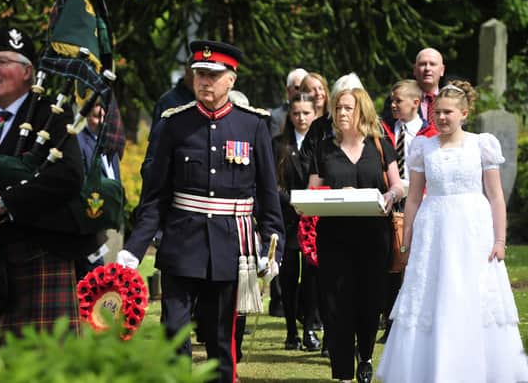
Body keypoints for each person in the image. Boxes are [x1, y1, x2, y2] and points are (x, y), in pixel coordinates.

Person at [116, 40, 285, 383]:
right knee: (174, 333)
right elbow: (155, 197)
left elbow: (269, 197)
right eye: (199, 74)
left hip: (230, 249)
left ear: (231, 80)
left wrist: (273, 248)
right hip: (181, 244)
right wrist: (133, 250)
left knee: (222, 340)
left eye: (213, 75)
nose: (205, 81)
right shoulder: (174, 124)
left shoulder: (253, 126)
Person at [0, 26, 95, 336]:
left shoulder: (51, 115)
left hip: (38, 257)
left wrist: (3, 204)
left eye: (2, 61)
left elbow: (68, 177)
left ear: (27, 71)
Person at [377, 81, 528, 382]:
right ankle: (430, 367)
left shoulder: (481, 144)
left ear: (464, 113)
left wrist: (499, 240)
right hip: (434, 230)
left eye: (448, 112)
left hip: (473, 228)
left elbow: (496, 196)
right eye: (437, 113)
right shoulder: (423, 148)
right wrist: (407, 242)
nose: (442, 118)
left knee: (472, 293)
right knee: (433, 294)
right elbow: (415, 198)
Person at [307, 82, 403, 383]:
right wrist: (337, 191)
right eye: (338, 108)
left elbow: (397, 184)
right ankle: (344, 372)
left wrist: (391, 196)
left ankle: (365, 356)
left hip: (373, 236)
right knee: (336, 304)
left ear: (361, 110)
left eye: (348, 107)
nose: (342, 112)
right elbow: (313, 189)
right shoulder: (324, 147)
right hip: (334, 237)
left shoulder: (379, 144)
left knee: (369, 300)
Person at [378, 79, 437, 344]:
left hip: (419, 201)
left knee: (415, 263)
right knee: (391, 264)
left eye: (398, 100)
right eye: (391, 100)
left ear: (416, 102)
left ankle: (415, 322)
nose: (393, 105)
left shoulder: (429, 135)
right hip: (391, 200)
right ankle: (389, 323)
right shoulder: (384, 130)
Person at [272, 89, 324, 352]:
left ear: (315, 114)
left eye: (306, 113)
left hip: (316, 220)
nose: (301, 118)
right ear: (289, 115)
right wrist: (293, 201)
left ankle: (311, 328)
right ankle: (291, 330)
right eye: (296, 113)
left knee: (314, 277)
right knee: (289, 276)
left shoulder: (323, 141)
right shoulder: (279, 144)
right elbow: (273, 182)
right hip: (289, 218)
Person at [75, 102, 122, 279]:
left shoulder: (111, 144)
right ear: (87, 116)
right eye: (96, 117)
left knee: (113, 276)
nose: (102, 122)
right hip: (93, 224)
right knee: (95, 275)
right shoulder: (78, 142)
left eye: (105, 118)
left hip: (113, 221)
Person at [382, 48, 445, 127]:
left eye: (432, 64)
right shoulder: (396, 100)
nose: (427, 68)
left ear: (442, 70)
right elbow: (388, 131)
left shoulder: (452, 99)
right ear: (414, 70)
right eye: (422, 64)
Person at [267, 68, 308, 137]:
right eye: (297, 88)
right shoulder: (277, 117)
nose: (301, 91)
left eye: (304, 88)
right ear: (288, 90)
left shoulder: (317, 115)